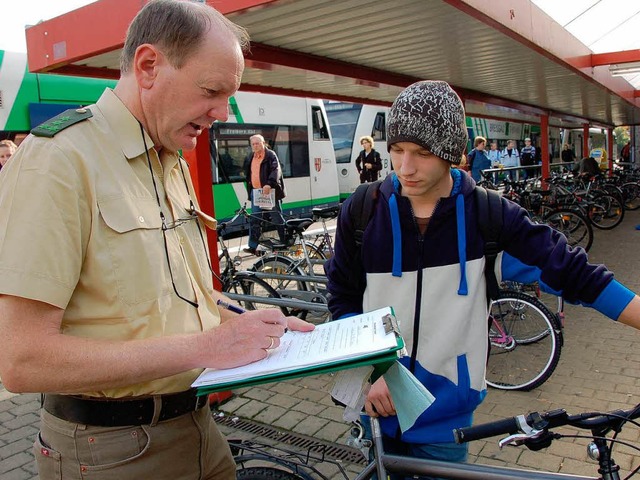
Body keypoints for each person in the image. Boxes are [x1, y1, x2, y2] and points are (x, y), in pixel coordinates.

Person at [0, 2, 314, 480]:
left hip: (198, 428)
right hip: (109, 452)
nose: (221, 113)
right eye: (211, 91)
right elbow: (21, 360)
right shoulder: (58, 162)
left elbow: (171, 299)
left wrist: (245, 324)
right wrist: (208, 348)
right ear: (148, 67)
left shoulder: (168, 160)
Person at [324, 80, 640, 480]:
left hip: (445, 421)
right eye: (398, 150)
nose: (405, 168)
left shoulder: (489, 216)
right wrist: (370, 372)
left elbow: (576, 274)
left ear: (454, 154)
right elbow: (342, 299)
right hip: (373, 407)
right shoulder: (362, 211)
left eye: (422, 153)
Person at [242, 134, 287, 255]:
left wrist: (269, 183)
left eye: (257, 143)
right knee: (255, 219)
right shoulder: (251, 156)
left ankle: (284, 241)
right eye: (253, 144)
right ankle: (252, 246)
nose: (255, 146)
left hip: (269, 192)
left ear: (263, 143)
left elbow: (276, 170)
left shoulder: (270, 155)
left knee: (277, 217)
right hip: (256, 193)